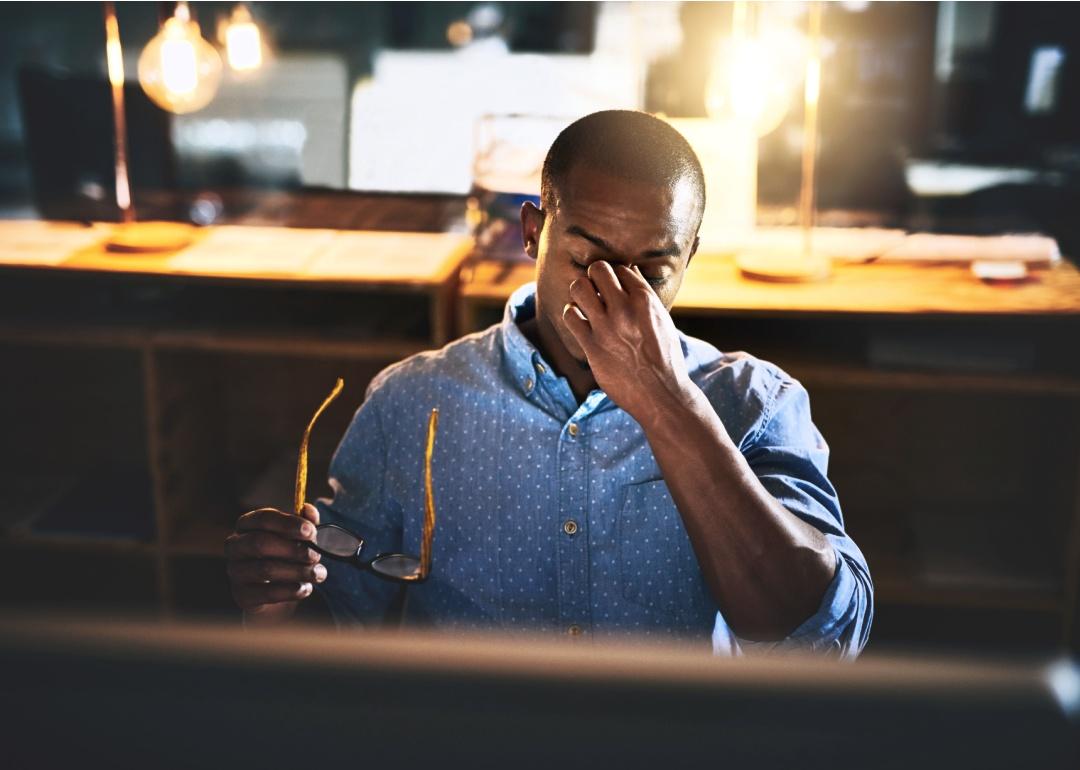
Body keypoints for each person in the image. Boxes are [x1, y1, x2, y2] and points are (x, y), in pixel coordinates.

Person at [225, 110, 873, 656]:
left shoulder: (757, 402)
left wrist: (667, 403)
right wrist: (281, 598)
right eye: (586, 259)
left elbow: (823, 636)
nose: (612, 295)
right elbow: (338, 627)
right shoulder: (411, 401)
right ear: (534, 233)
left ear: (689, 259)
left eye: (652, 270)